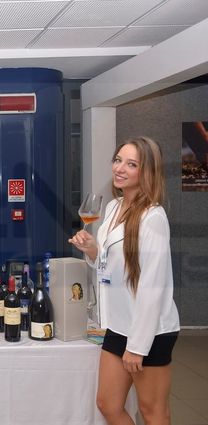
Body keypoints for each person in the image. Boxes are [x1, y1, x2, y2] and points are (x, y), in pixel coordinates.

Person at [69, 136, 179, 425]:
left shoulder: (153, 216)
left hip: (149, 332)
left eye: (131, 164)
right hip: (118, 325)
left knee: (152, 411)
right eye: (118, 160)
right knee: (107, 404)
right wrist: (93, 251)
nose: (119, 168)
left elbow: (154, 287)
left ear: (147, 171)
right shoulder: (114, 207)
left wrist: (138, 347)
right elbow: (111, 265)